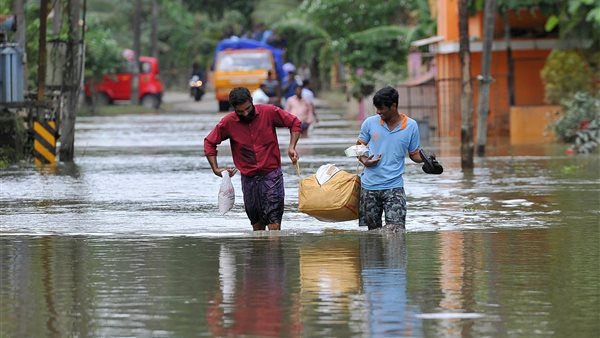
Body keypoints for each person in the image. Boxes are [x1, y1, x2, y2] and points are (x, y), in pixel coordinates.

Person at [204, 87, 302, 231]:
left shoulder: (269, 112)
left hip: (272, 176)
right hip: (248, 179)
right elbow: (209, 142)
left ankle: (274, 250)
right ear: (234, 109)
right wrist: (216, 169)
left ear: (252, 102)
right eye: (240, 112)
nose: (245, 113)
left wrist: (292, 146)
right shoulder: (228, 123)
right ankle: (258, 252)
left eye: (248, 109)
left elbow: (294, 123)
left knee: (274, 222)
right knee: (256, 224)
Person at [355, 86, 424, 231]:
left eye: (381, 108)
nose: (378, 112)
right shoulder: (369, 123)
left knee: (396, 231)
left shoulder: (411, 126)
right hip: (369, 188)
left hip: (394, 187)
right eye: (377, 108)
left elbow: (414, 154)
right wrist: (364, 160)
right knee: (373, 235)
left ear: (394, 106)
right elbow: (358, 147)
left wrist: (426, 159)